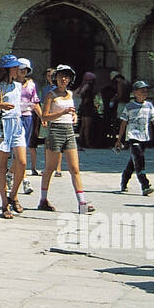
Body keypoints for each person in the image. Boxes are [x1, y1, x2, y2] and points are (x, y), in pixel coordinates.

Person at [37, 64, 95, 214]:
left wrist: (73, 116)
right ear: (55, 77)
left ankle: (82, 202)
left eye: (67, 76)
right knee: (50, 168)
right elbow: (45, 116)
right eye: (61, 76)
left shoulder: (70, 94)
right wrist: (63, 112)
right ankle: (43, 200)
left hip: (69, 131)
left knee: (75, 168)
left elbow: (72, 111)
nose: (64, 79)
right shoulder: (51, 95)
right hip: (55, 131)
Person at [0, 55, 27, 218]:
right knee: (2, 164)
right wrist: (0, 105)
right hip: (3, 125)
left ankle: (13, 194)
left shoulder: (18, 85)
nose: (18, 70)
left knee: (22, 162)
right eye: (15, 67)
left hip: (17, 124)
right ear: (7, 69)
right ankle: (4, 204)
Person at [115, 80, 154, 195]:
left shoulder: (149, 106)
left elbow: (153, 120)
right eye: (142, 91)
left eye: (146, 91)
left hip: (144, 137)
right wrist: (119, 139)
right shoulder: (129, 106)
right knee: (139, 160)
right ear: (135, 93)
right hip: (133, 136)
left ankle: (124, 180)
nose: (144, 93)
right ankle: (145, 185)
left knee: (133, 162)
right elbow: (123, 123)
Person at [19, 58, 42, 193]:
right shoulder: (11, 84)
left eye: (25, 69)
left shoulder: (31, 85)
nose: (23, 72)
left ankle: (12, 175)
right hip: (14, 118)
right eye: (21, 69)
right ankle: (24, 179)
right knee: (18, 150)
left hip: (27, 117)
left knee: (24, 149)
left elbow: (35, 102)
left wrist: (42, 117)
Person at [76, 72, 100, 148]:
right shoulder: (87, 85)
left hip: (84, 106)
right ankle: (87, 142)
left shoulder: (83, 85)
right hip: (87, 106)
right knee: (87, 126)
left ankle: (81, 141)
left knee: (83, 125)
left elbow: (76, 93)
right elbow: (80, 93)